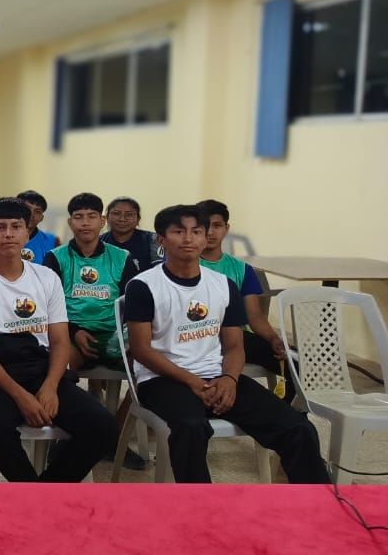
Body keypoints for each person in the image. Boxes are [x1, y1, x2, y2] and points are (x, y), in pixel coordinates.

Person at [124, 205, 328, 484]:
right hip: (162, 380)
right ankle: (202, 504)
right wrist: (194, 382)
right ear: (161, 240)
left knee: (298, 428)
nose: (188, 239)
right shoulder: (143, 286)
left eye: (197, 232)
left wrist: (230, 379)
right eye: (178, 232)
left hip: (218, 376)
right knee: (191, 427)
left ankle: (319, 502)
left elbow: (234, 346)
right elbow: (142, 350)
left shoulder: (223, 285)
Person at [0, 198, 118, 482]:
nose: (8, 234)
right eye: (0, 227)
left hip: (40, 368)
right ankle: (31, 491)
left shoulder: (46, 278)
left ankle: (46, 490)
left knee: (102, 426)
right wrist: (22, 397)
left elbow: (60, 342)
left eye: (16, 226)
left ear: (27, 234)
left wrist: (50, 388)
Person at [196, 199, 290, 398]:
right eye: (204, 226)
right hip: (196, 336)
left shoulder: (241, 269)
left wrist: (274, 339)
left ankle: (291, 410)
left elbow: (254, 315)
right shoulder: (184, 264)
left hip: (236, 338)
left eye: (217, 225)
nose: (210, 232)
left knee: (295, 364)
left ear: (226, 228)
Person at [42, 193, 138, 372]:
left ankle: (129, 395)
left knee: (146, 363)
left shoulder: (122, 257)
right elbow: (47, 304)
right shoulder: (55, 257)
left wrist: (120, 337)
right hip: (70, 333)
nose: (85, 223)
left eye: (92, 216)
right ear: (70, 222)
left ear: (102, 221)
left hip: (114, 334)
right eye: (78, 217)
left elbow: (131, 303)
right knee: (57, 363)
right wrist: (73, 331)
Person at [102, 197, 162, 272]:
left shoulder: (153, 240)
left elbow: (160, 271)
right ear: (107, 218)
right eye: (116, 214)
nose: (122, 219)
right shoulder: (99, 242)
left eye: (129, 215)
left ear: (138, 219)